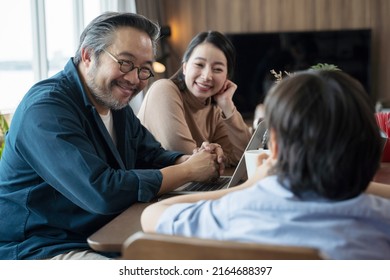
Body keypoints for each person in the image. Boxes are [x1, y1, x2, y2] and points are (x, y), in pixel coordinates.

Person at [0, 12, 226, 260]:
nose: (133, 79)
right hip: (42, 247)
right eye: (125, 63)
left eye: (144, 70)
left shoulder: (115, 104)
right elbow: (102, 191)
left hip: (106, 231)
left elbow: (151, 155)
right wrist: (190, 171)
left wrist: (192, 160)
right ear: (88, 55)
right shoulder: (45, 109)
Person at [141, 69, 390, 259]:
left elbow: (152, 215)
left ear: (276, 147)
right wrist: (347, 181)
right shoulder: (381, 219)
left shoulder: (231, 213)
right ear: (368, 147)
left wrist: (249, 186)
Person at [137, 31, 252, 167]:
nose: (207, 76)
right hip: (152, 186)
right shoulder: (163, 90)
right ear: (185, 67)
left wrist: (227, 105)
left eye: (217, 69)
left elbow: (245, 158)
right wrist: (218, 156)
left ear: (227, 76)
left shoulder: (214, 109)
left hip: (186, 186)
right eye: (199, 65)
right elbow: (188, 160)